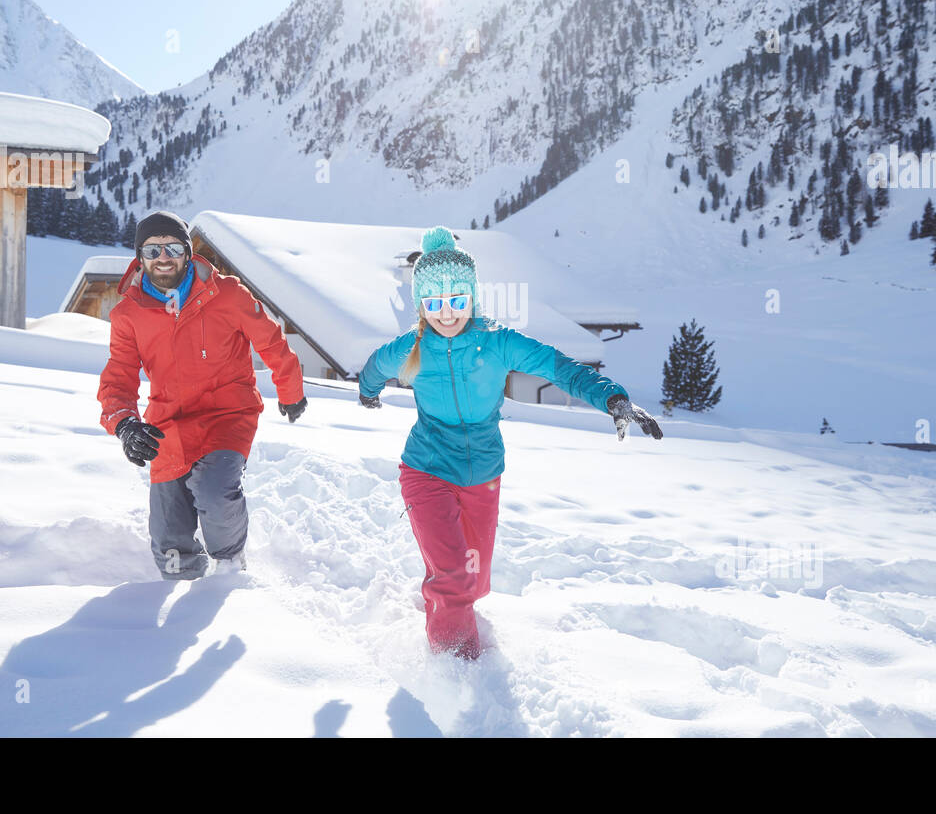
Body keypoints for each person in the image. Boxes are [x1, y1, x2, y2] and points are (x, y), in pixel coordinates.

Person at [358, 226, 662, 659]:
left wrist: (611, 397)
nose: (447, 314)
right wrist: (367, 391)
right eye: (436, 303)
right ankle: (455, 671)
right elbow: (373, 366)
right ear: (423, 305)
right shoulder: (412, 347)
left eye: (458, 301)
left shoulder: (497, 342)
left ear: (472, 299)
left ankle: (447, 600)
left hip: (482, 472)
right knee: (454, 577)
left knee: (475, 579)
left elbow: (561, 368)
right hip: (425, 469)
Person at [97, 211, 307, 580]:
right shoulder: (128, 315)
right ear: (139, 256)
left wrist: (290, 391)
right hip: (168, 424)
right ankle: (181, 587)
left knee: (213, 490)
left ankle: (229, 567)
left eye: (173, 247)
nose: (164, 257)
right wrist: (125, 424)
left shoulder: (226, 294)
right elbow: (119, 375)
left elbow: (270, 340)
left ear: (188, 252)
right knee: (169, 535)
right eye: (153, 249)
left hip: (228, 415)